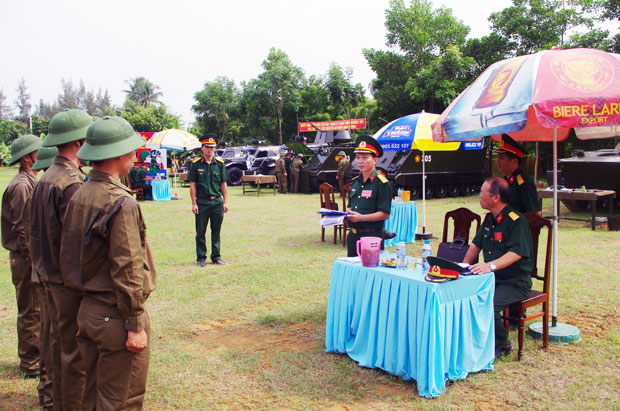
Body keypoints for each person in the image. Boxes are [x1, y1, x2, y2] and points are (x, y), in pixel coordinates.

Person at [60, 115, 156, 410]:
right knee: (122, 399)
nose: (134, 155)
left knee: (91, 395)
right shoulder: (120, 202)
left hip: (88, 312)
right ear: (118, 154)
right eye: (131, 149)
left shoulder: (81, 192)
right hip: (115, 315)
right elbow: (127, 269)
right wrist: (135, 323)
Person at [29, 108, 93, 411]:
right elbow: (76, 243)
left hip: (47, 278)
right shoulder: (71, 183)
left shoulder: (45, 178)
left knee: (55, 345)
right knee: (75, 353)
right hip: (66, 283)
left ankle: (52, 401)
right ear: (80, 141)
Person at [463, 177, 533, 358]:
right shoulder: (489, 219)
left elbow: (515, 253)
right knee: (466, 297)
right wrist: (462, 268)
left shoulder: (516, 221)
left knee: (488, 304)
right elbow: (475, 246)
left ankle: (502, 344)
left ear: (495, 197)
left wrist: (490, 265)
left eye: (482, 193)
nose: (479, 196)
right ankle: (475, 339)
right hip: (493, 278)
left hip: (515, 282)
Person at [1, 134, 42, 379]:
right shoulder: (20, 186)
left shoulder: (31, 182)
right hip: (25, 258)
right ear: (28, 158)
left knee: (38, 308)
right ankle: (30, 362)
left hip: (29, 258)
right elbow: (24, 228)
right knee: (31, 310)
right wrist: (35, 261)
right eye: (38, 151)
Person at [345, 135, 392, 257]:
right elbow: (351, 206)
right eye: (358, 157)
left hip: (372, 237)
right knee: (354, 273)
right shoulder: (355, 182)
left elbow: (385, 214)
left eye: (365, 158)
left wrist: (361, 217)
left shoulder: (382, 184)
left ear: (375, 160)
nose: (360, 161)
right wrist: (348, 212)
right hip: (353, 237)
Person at [189, 134, 230, 266]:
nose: (210, 150)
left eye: (212, 148)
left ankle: (216, 256)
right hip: (202, 202)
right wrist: (194, 203)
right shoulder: (195, 164)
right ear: (202, 148)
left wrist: (225, 202)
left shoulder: (219, 164)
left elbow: (223, 184)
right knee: (200, 231)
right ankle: (201, 257)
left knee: (216, 231)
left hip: (217, 201)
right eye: (207, 147)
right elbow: (192, 184)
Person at [495, 134, 541, 215]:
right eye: (498, 158)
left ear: (514, 161)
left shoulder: (524, 183)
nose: (498, 161)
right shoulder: (505, 180)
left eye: (501, 158)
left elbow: (535, 214)